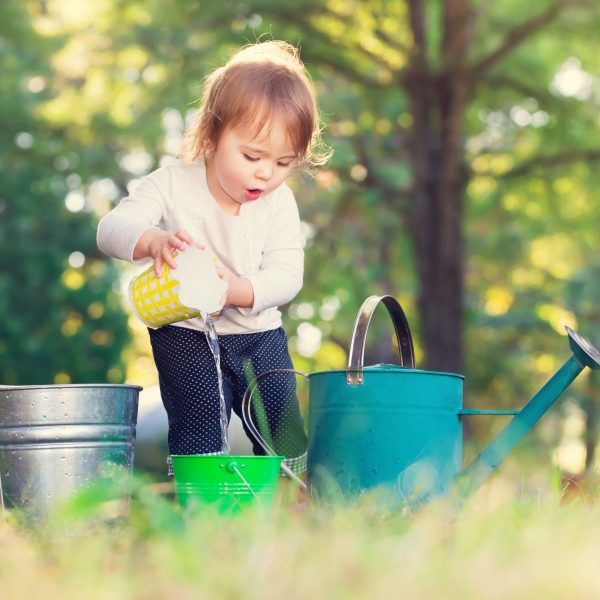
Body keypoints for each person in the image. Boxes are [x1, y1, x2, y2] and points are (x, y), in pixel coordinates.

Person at [97, 41, 329, 481]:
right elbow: (110, 229)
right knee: (199, 421)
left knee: (280, 422)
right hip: (184, 333)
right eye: (252, 156)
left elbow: (287, 276)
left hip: (257, 334)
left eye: (283, 162)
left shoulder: (279, 203)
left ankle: (292, 504)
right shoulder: (171, 185)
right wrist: (152, 241)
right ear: (212, 136)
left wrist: (235, 291)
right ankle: (204, 511)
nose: (267, 174)